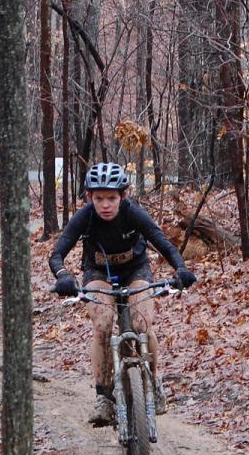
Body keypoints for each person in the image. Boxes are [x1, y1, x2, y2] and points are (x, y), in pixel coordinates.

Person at [49, 162, 197, 427]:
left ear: (123, 197)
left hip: (136, 271)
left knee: (143, 324)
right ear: (89, 198)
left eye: (112, 198)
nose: (106, 205)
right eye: (99, 198)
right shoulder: (85, 217)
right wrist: (63, 276)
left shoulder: (133, 214)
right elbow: (58, 253)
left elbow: (162, 242)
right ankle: (104, 397)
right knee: (102, 325)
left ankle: (153, 382)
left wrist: (181, 269)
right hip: (98, 274)